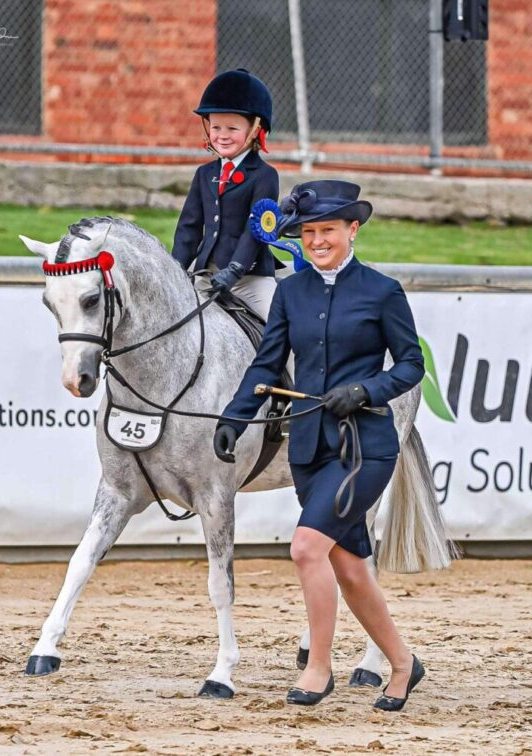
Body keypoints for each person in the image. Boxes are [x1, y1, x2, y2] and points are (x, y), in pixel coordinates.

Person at [213, 180, 426, 711]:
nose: (317, 241)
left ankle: (319, 667)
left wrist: (365, 390)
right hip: (309, 448)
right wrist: (233, 419)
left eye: (327, 230)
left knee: (307, 547)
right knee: (349, 566)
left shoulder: (382, 291)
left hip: (364, 449)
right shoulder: (291, 292)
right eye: (309, 233)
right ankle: (403, 663)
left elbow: (410, 364)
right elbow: (266, 365)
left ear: (352, 230)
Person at [171, 68, 285, 322]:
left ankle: (299, 363)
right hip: (206, 274)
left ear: (255, 129)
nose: (222, 135)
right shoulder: (204, 174)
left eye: (232, 128)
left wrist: (234, 269)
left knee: (283, 326)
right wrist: (175, 269)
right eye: (216, 127)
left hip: (249, 278)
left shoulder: (265, 175)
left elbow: (255, 231)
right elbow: (189, 227)